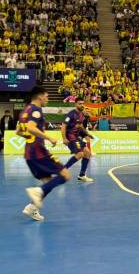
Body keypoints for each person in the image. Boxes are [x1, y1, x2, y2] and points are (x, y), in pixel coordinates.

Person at [20, 87, 72, 221]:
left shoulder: (25, 111)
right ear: (40, 97)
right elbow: (31, 128)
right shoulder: (36, 110)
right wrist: (49, 138)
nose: (47, 99)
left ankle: (32, 208)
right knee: (65, 175)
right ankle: (38, 192)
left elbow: (19, 132)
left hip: (29, 154)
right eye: (46, 96)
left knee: (48, 182)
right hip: (39, 152)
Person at [61, 99, 94, 182]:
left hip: (77, 137)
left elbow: (80, 126)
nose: (82, 105)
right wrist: (64, 138)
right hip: (70, 137)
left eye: (83, 103)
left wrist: (87, 133)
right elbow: (63, 126)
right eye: (80, 104)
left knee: (87, 153)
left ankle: (82, 175)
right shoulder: (71, 114)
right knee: (80, 154)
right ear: (76, 104)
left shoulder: (82, 114)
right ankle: (62, 171)